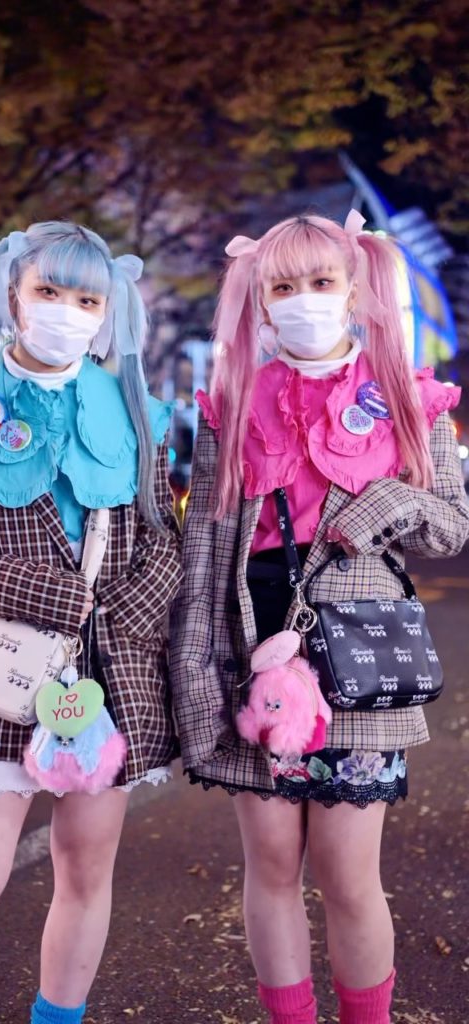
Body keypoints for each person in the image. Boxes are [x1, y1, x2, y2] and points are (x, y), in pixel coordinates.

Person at [170, 210, 469, 1024]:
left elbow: (452, 525)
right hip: (253, 652)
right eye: (284, 287)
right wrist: (192, 675)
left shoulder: (405, 393)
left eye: (321, 282)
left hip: (364, 657)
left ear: (354, 289)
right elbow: (202, 548)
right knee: (268, 864)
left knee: (347, 873)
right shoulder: (232, 401)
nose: (304, 300)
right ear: (262, 304)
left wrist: (383, 504)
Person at [0, 221, 183, 1024]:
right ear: (13, 296)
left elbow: (165, 536)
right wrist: (46, 596)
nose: (66, 311)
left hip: (112, 679)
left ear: (108, 310)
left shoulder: (135, 409)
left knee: (86, 875)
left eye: (85, 298)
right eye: (49, 292)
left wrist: (123, 612)